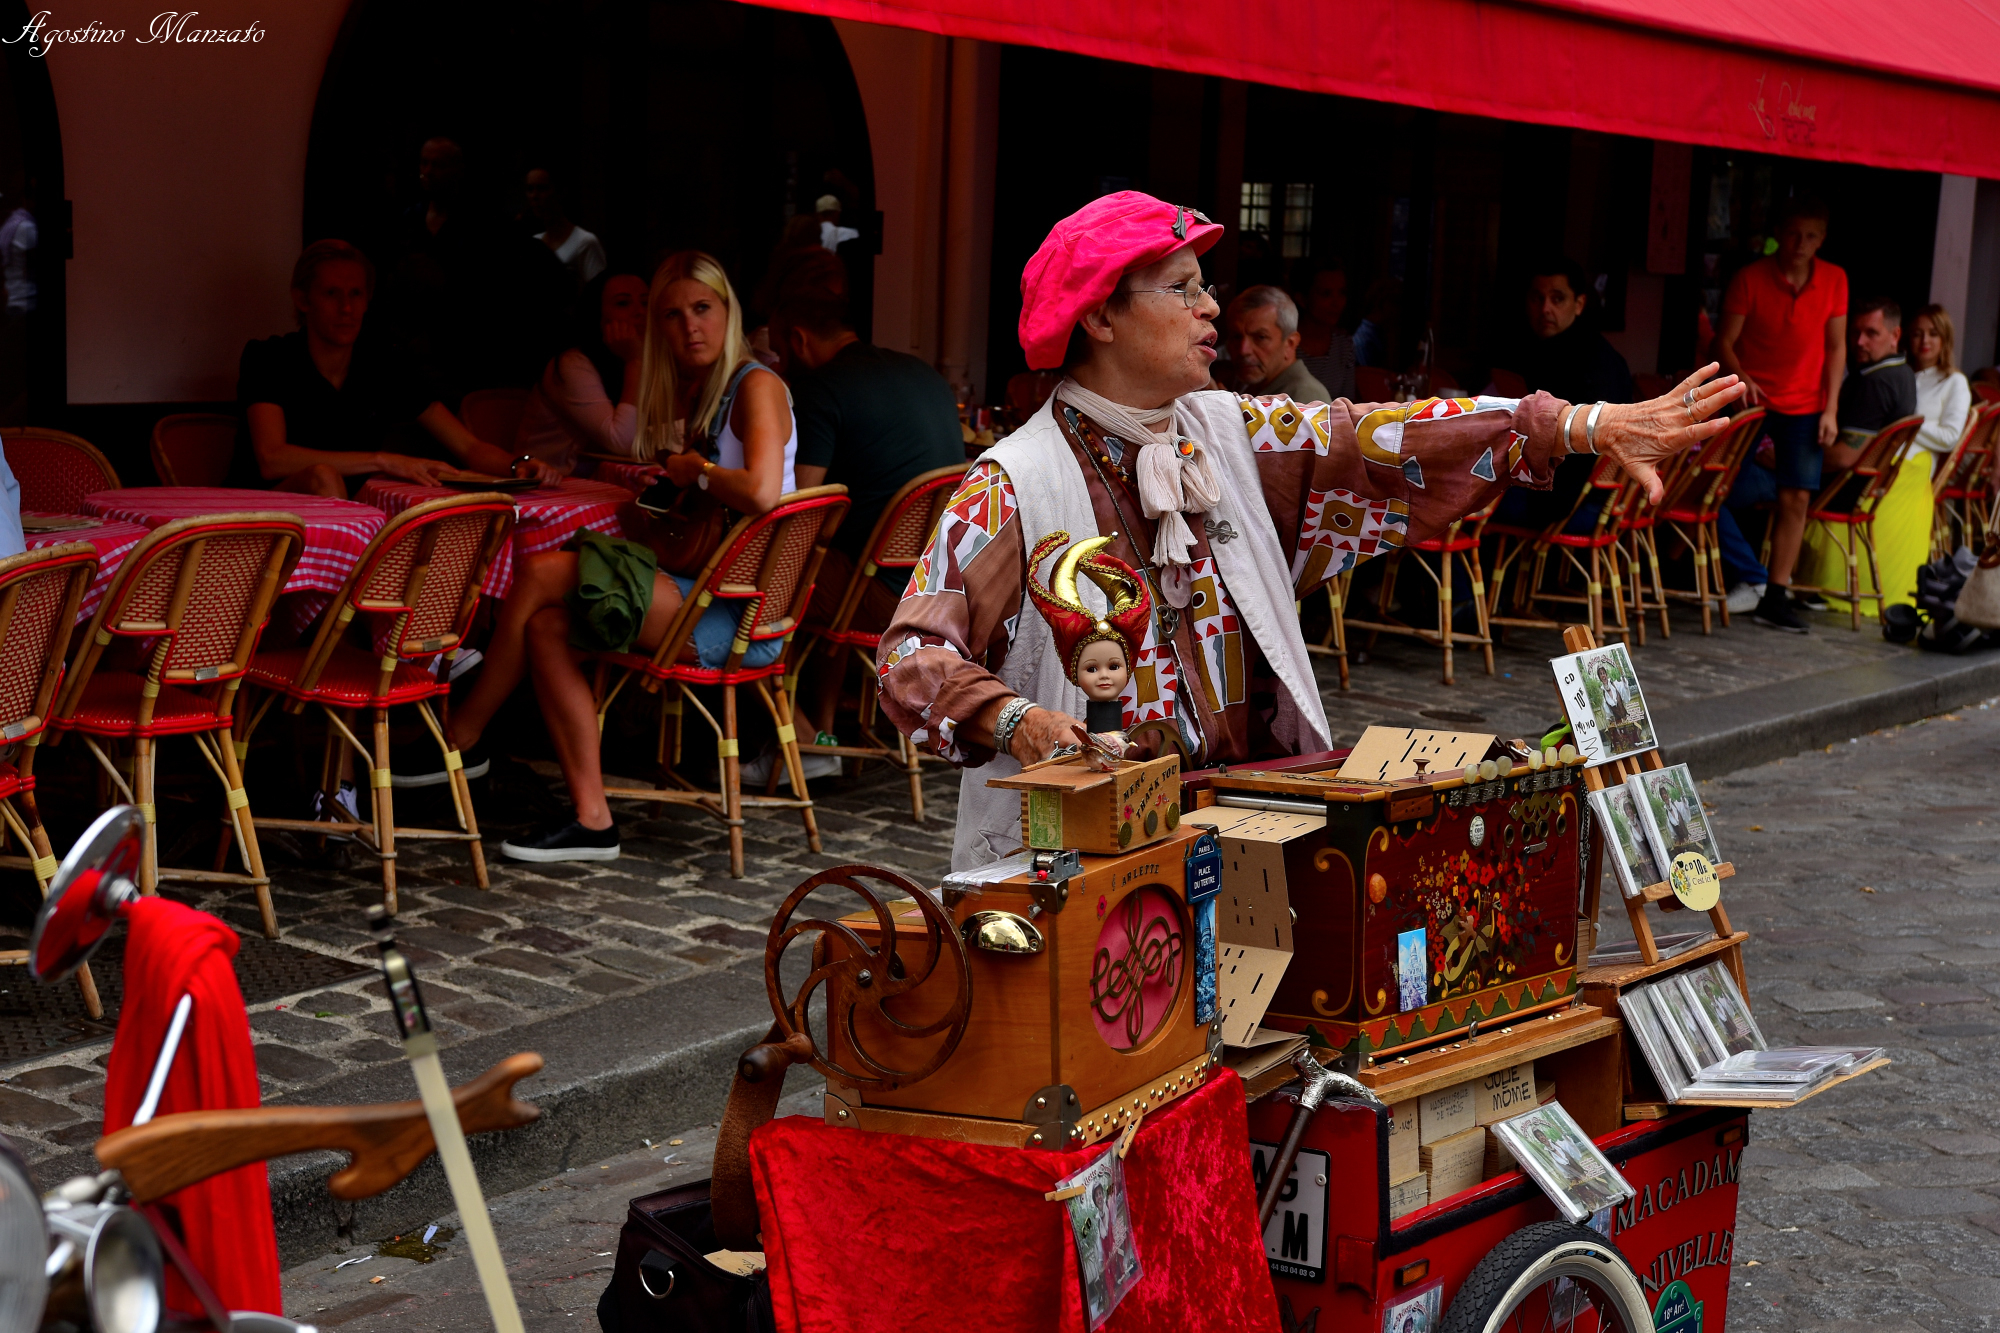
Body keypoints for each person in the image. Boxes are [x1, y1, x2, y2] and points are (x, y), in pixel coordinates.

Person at [871, 191, 1744, 871]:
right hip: (1085, 870)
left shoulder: (1231, 434)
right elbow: (911, 657)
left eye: (1206, 286)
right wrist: (1018, 720)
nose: (1211, 309)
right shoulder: (1014, 481)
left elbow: (1386, 437)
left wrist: (1578, 425)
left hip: (1246, 838)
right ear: (1099, 317)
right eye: (1183, 289)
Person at [446, 251, 797, 861]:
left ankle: (461, 737)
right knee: (548, 627)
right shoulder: (709, 391)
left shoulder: (755, 386)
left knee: (542, 570)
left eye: (702, 308)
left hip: (736, 617)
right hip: (710, 592)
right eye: (673, 315)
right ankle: (592, 821)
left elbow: (762, 491)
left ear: (729, 312)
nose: (690, 326)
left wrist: (697, 470)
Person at [757, 291, 964, 778]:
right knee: (835, 560)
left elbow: (800, 511)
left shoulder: (820, 388)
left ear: (798, 340)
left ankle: (794, 740)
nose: (779, 365)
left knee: (771, 576)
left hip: (879, 596)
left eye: (779, 353)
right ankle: (824, 730)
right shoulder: (924, 374)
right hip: (941, 589)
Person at [236, 240, 555, 496]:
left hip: (352, 511)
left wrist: (519, 465)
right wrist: (382, 460)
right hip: (265, 514)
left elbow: (469, 447)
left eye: (356, 294)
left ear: (368, 300)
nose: (346, 308)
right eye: (331, 293)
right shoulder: (269, 357)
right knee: (322, 477)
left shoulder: (383, 364)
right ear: (303, 300)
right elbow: (272, 459)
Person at [1711, 198, 1848, 633]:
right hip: (1751, 401)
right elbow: (1723, 341)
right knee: (1712, 487)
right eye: (1793, 234)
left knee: (1797, 498)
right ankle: (1748, 574)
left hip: (1806, 404)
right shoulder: (1750, 278)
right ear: (1778, 235)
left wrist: (1831, 409)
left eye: (1810, 236)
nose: (1800, 244)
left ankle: (1775, 594)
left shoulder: (1834, 278)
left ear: (1821, 239)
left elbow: (1836, 348)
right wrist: (1742, 378)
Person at [1796, 297, 1922, 617]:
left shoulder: (1875, 381)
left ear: (1895, 335)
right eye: (1855, 333)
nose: (1859, 342)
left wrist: (1788, 461)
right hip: (1863, 489)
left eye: (1871, 333)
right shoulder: (1905, 373)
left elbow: (1844, 457)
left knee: (1739, 486)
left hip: (1839, 489)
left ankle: (1757, 580)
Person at [1494, 258, 1635, 530]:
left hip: (1570, 503)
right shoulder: (1583, 350)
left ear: (1579, 304)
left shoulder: (1581, 359)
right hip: (1604, 501)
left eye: (1557, 299)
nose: (1545, 309)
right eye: (1537, 298)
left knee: (1456, 498)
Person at [515, 269, 648, 474]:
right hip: (550, 481)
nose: (641, 312)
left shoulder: (650, 359)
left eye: (646, 303)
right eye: (623, 303)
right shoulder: (572, 364)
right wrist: (634, 362)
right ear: (597, 316)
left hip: (610, 478)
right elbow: (622, 441)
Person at [1225, 286, 1330, 403]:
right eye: (1236, 337)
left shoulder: (1305, 395)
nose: (1243, 350)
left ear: (1290, 343)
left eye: (1261, 337)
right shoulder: (1253, 384)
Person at [524, 167, 606, 285]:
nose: (534, 196)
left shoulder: (585, 242)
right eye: (530, 189)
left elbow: (599, 290)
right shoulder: (535, 243)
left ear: (559, 192)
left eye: (542, 188)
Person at [1295, 262, 1357, 400]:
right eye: (1326, 294)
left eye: (1342, 293)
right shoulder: (1285, 345)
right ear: (1302, 299)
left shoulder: (1343, 344)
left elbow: (1347, 402)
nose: (1336, 303)